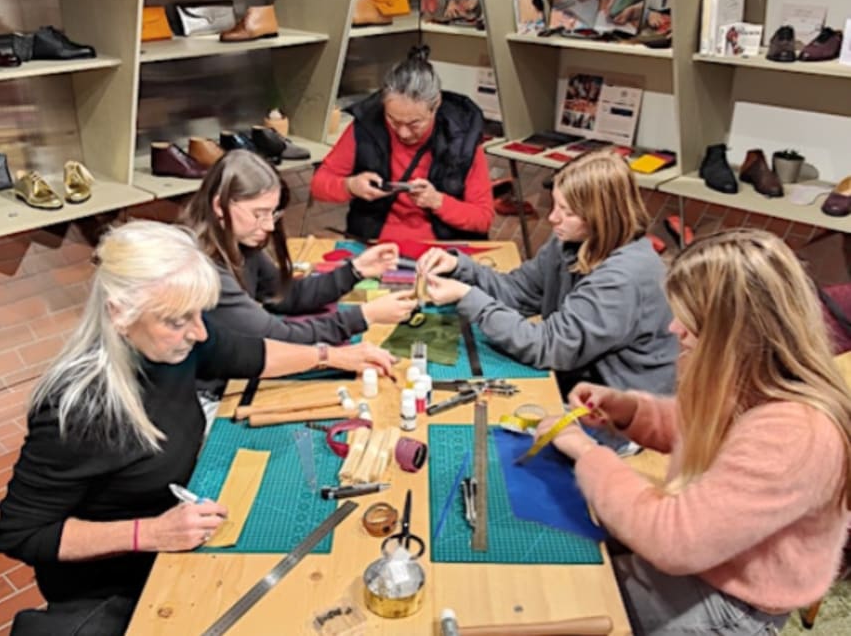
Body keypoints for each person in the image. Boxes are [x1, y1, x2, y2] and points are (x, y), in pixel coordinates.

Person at [0, 221, 395, 636]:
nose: (199, 331)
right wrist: (151, 531)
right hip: (119, 581)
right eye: (177, 320)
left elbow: (248, 353)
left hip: (179, 530)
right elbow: (20, 533)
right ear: (119, 313)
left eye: (200, 313)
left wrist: (330, 356)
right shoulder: (81, 411)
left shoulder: (174, 341)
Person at [539, 228, 851, 635]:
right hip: (709, 561)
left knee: (567, 601)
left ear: (736, 332)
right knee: (568, 571)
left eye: (690, 318)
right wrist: (630, 412)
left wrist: (587, 453)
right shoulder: (752, 376)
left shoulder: (795, 432)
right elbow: (707, 433)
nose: (673, 328)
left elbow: (674, 540)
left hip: (733, 602)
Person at [418, 150, 677, 395]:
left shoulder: (623, 278)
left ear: (602, 217)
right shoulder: (571, 241)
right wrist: (461, 268)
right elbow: (517, 292)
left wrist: (467, 297)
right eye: (555, 205)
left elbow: (549, 347)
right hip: (579, 384)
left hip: (621, 409)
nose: (552, 218)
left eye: (568, 212)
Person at [180, 149, 418, 347]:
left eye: (272, 213)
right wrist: (365, 316)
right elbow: (277, 336)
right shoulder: (202, 268)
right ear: (219, 206)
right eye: (258, 214)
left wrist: (355, 270)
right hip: (207, 394)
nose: (270, 225)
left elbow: (285, 295)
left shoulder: (237, 240)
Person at [310, 45, 494, 241]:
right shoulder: (367, 126)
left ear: (436, 106)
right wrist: (349, 186)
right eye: (393, 120)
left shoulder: (462, 136)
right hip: (374, 243)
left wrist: (438, 201)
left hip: (443, 248)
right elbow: (319, 185)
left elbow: (483, 218)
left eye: (415, 123)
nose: (403, 133)